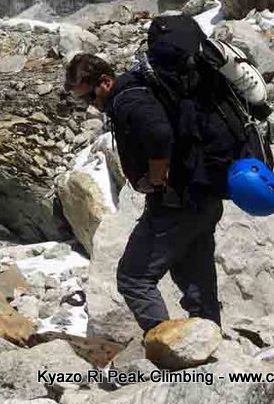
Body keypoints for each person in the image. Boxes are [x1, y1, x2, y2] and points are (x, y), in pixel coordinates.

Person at [64, 49, 247, 334]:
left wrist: (155, 177)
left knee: (133, 278)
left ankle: (168, 343)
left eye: (89, 96)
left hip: (175, 203)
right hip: (202, 193)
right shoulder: (143, 91)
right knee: (194, 277)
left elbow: (159, 133)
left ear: (105, 82)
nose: (91, 105)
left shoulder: (128, 99)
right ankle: (208, 341)